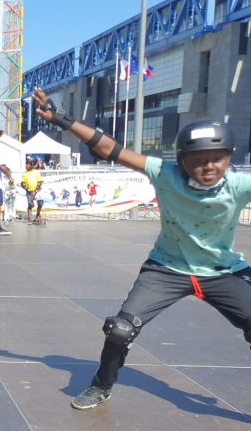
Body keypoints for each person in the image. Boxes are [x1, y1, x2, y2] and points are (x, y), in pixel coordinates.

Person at [32, 86, 251, 410]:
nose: (208, 167)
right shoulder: (165, 173)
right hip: (166, 269)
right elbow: (111, 148)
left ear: (228, 158)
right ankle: (101, 385)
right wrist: (63, 120)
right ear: (182, 161)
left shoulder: (240, 185)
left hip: (221, 271)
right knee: (120, 330)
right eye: (198, 160)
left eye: (216, 159)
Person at [21, 158, 44, 224]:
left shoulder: (36, 172)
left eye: (27, 164)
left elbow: (40, 182)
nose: (25, 166)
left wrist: (35, 191)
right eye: (25, 164)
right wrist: (29, 190)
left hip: (37, 191)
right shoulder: (24, 174)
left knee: (40, 203)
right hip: (29, 192)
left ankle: (37, 215)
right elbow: (22, 184)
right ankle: (29, 219)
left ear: (31, 165)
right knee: (30, 205)